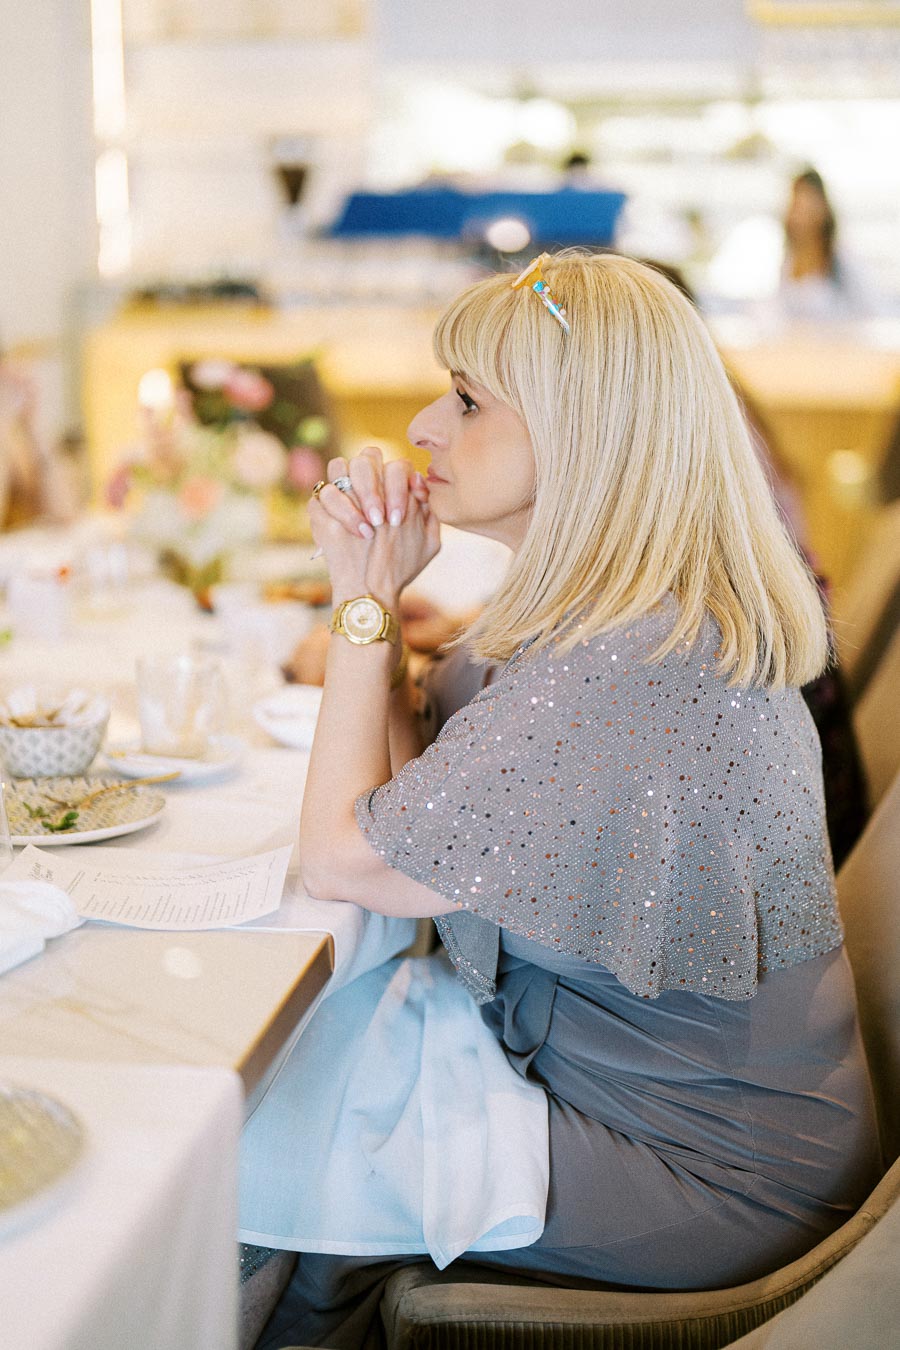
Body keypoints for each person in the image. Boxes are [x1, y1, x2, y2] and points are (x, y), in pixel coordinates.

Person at [246, 252, 880, 1350]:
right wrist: (382, 620)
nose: (423, 425)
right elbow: (414, 808)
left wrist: (360, 603)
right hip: (653, 1103)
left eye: (468, 399)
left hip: (706, 1173)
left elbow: (348, 862)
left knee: (250, 1134)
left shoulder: (634, 670)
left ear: (586, 432)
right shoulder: (623, 617)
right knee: (294, 1082)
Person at [774, 167, 880, 322]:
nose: (799, 214)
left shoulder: (843, 261)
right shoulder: (786, 261)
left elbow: (870, 316)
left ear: (823, 208)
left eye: (807, 204)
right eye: (796, 204)